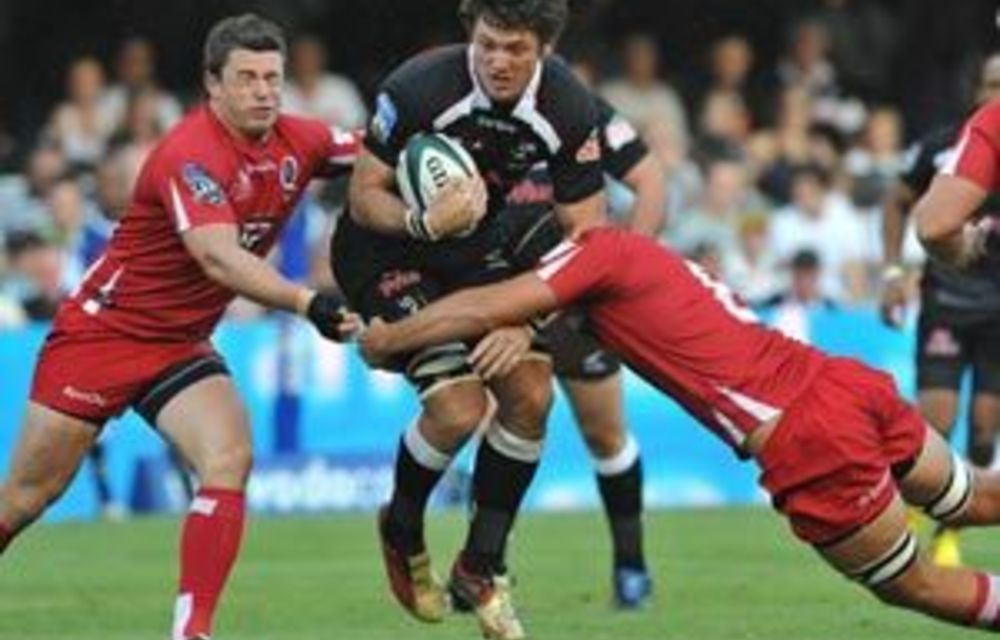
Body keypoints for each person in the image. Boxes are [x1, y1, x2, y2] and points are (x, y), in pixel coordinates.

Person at [361, 216, 1000, 635]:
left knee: (911, 583)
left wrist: (392, 336)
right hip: (839, 381)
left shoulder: (588, 258)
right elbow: (558, 315)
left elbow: (484, 304)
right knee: (971, 497)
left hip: (808, 434)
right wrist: (525, 326)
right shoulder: (632, 252)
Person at [0, 14, 359, 640]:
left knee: (229, 458)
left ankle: (192, 632)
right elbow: (218, 258)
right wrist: (307, 302)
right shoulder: (189, 153)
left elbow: (379, 148)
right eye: (246, 78)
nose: (263, 91)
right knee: (28, 498)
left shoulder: (299, 139)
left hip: (177, 344)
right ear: (212, 84)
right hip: (104, 335)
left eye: (272, 78)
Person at [333, 1, 606, 637]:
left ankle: (481, 566)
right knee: (457, 409)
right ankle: (401, 526)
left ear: (545, 48)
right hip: (385, 251)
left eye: (515, 48)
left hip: (474, 247)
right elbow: (364, 195)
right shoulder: (418, 86)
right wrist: (422, 221)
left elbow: (586, 234)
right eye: (487, 44)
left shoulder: (569, 106)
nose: (497, 61)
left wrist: (526, 322)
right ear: (470, 36)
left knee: (531, 394)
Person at [502, 82, 665, 607]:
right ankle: (485, 569)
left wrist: (626, 268)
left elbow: (649, 179)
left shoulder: (581, 107)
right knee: (499, 426)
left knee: (605, 433)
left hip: (576, 302)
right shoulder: (462, 106)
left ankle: (631, 567)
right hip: (500, 298)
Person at [881, 52, 1000, 567]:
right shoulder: (943, 147)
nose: (997, 92)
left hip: (998, 311)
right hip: (946, 302)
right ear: (977, 88)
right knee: (936, 421)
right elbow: (898, 203)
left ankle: (950, 533)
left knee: (984, 430)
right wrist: (893, 273)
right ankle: (908, 516)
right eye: (991, 82)